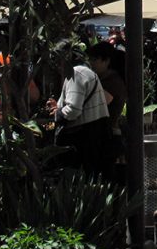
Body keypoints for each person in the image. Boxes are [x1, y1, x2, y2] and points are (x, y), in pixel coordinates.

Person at [47, 48, 111, 177]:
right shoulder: (84, 72)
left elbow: (73, 110)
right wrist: (59, 106)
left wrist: (57, 113)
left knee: (81, 178)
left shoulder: (76, 73)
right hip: (94, 133)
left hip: (84, 137)